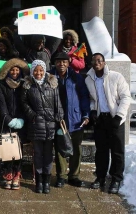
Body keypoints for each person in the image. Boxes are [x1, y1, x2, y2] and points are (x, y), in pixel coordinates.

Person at [85, 53, 131, 194]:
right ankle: (100, 177)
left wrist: (119, 116)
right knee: (101, 151)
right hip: (101, 119)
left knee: (117, 151)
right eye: (94, 60)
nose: (96, 62)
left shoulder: (116, 77)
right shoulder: (89, 79)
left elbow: (126, 97)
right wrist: (93, 111)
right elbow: (92, 99)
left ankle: (116, 178)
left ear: (104, 63)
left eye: (99, 60)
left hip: (115, 118)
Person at [21, 60, 64, 194]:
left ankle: (47, 181)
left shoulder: (52, 84)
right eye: (36, 70)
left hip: (50, 124)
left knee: (48, 155)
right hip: (36, 125)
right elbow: (23, 103)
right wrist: (33, 116)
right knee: (38, 154)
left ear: (44, 70)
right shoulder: (27, 86)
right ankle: (39, 181)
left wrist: (59, 117)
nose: (38, 73)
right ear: (32, 71)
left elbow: (58, 103)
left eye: (41, 70)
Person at [48, 52, 90, 188]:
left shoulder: (76, 77)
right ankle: (61, 176)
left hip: (75, 117)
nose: (61, 64)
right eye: (59, 61)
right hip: (57, 118)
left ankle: (74, 175)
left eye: (64, 62)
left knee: (76, 149)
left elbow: (84, 97)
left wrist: (86, 114)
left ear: (68, 63)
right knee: (60, 148)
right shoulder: (49, 77)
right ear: (55, 63)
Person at [0, 58, 30, 190]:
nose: (15, 72)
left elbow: (26, 103)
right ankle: (7, 173)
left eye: (17, 70)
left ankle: (17, 173)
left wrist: (22, 119)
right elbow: (1, 103)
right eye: (12, 69)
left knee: (18, 149)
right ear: (7, 71)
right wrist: (8, 119)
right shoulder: (1, 85)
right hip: (6, 122)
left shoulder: (24, 85)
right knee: (7, 149)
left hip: (21, 123)